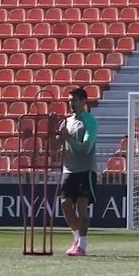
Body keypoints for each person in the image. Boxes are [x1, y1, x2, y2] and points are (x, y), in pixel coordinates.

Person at [58, 87, 98, 257]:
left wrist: (68, 138)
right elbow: (55, 146)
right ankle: (76, 239)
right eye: (69, 100)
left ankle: (82, 244)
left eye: (74, 100)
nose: (71, 103)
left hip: (85, 170)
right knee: (65, 204)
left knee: (82, 206)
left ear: (83, 102)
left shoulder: (90, 121)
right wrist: (55, 137)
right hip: (69, 169)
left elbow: (86, 148)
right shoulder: (66, 122)